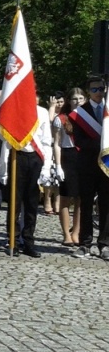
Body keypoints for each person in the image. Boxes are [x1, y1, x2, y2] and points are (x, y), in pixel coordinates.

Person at [0, 97, 54, 258]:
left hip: (36, 157)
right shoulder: (13, 112)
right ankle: (13, 241)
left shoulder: (42, 112)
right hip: (17, 156)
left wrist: (46, 167)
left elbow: (45, 141)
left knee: (32, 203)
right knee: (14, 203)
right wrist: (4, 170)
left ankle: (28, 241)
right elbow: (5, 141)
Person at [68, 76, 109, 260]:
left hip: (107, 164)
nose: (99, 92)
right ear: (88, 92)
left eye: (101, 88)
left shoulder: (108, 110)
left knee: (106, 204)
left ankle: (105, 244)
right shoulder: (79, 114)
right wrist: (100, 144)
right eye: (94, 89)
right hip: (87, 163)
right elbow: (79, 140)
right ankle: (85, 244)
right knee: (85, 204)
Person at [54, 87, 85, 246]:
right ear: (69, 101)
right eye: (74, 99)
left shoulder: (90, 119)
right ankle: (66, 233)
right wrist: (58, 165)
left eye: (80, 98)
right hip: (68, 157)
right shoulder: (62, 118)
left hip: (84, 158)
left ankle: (76, 232)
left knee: (81, 199)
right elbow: (57, 144)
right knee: (65, 198)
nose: (78, 102)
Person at [41, 93, 64, 215]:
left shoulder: (66, 114)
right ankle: (47, 200)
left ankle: (58, 201)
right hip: (49, 147)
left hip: (61, 148)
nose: (59, 104)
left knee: (59, 177)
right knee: (49, 175)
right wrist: (52, 107)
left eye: (61, 102)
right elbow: (50, 121)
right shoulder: (46, 113)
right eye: (56, 102)